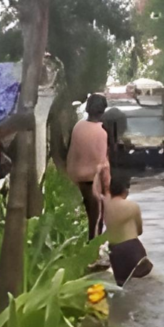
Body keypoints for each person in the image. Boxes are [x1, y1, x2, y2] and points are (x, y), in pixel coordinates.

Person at [67, 93, 110, 240]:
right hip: (94, 180)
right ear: (103, 110)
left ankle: (91, 249)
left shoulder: (78, 127)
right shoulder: (101, 132)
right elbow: (102, 162)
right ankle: (93, 252)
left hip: (77, 177)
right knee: (97, 218)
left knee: (91, 215)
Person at [104, 169, 153, 287]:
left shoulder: (103, 207)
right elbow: (140, 231)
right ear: (125, 190)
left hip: (114, 252)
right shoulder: (132, 206)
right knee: (147, 285)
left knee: (122, 286)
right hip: (132, 249)